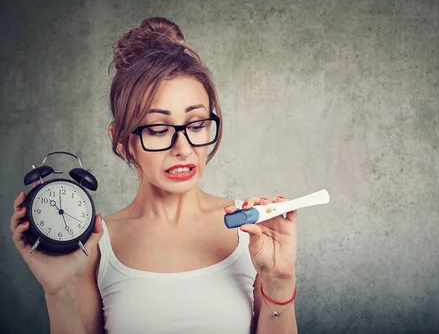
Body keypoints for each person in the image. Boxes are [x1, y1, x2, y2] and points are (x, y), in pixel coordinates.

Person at [9, 17, 298, 334]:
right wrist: (59, 291)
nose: (184, 148)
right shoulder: (96, 243)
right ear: (122, 138)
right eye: (159, 130)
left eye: (197, 124)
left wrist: (279, 282)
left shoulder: (253, 230)